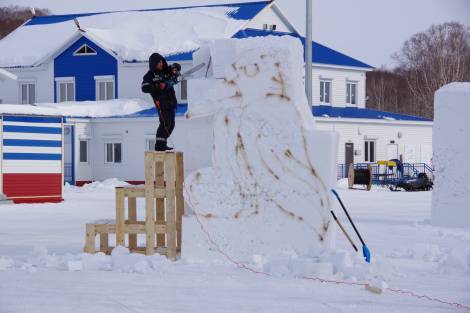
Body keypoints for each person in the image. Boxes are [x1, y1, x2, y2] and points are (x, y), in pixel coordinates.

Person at [141, 53, 181, 151]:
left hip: (171, 101)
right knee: (165, 123)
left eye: (162, 62)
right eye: (159, 62)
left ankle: (163, 143)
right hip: (161, 102)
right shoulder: (149, 75)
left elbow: (176, 68)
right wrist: (157, 86)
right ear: (154, 63)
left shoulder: (166, 70)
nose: (161, 64)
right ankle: (159, 146)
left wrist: (175, 68)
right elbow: (144, 87)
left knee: (171, 125)